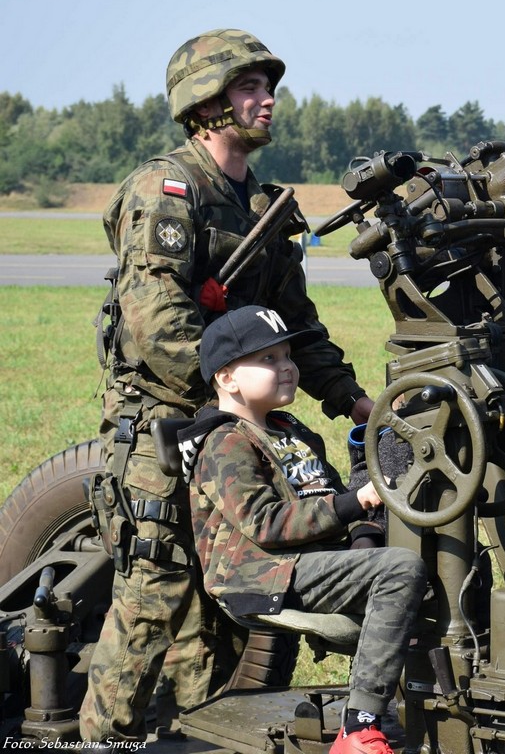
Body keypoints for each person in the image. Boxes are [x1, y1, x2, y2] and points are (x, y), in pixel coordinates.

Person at [81, 29, 376, 743]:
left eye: (267, 87)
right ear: (205, 103)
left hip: (233, 427)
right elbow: (158, 326)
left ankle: (204, 737)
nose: (266, 100)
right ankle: (102, 739)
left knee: (227, 612)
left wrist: (352, 399)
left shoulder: (263, 206)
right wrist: (230, 401)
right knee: (153, 597)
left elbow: (294, 324)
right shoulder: (168, 191)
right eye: (248, 87)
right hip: (166, 428)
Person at [180, 305, 425, 754]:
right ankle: (359, 728)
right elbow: (265, 523)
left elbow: (329, 495)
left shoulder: (290, 431)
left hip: (304, 560)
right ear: (227, 378)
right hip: (260, 573)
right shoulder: (225, 441)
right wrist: (357, 503)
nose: (288, 367)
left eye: (288, 356)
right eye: (268, 359)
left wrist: (363, 537)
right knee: (401, 569)